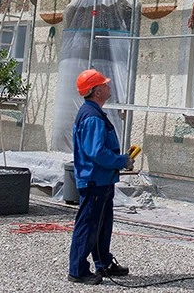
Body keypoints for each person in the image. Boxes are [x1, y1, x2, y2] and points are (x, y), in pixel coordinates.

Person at [68, 69, 134, 285]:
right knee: (89, 225)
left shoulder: (92, 113)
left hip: (101, 180)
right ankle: (77, 270)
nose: (109, 87)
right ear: (96, 91)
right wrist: (121, 161)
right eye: (105, 85)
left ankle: (103, 263)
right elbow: (96, 152)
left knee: (102, 224)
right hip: (95, 179)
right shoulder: (93, 118)